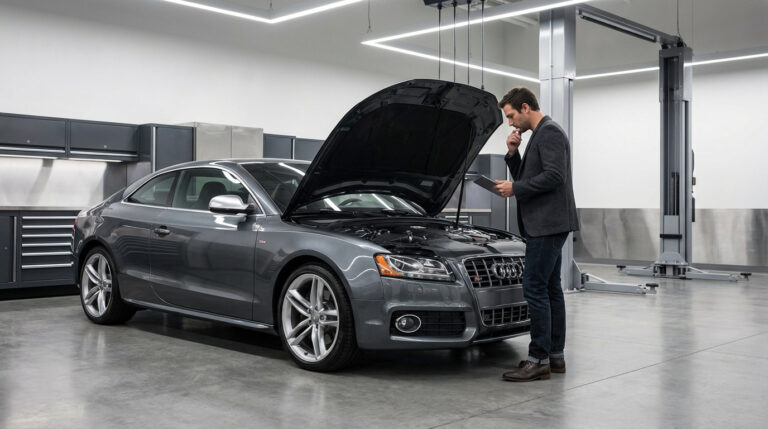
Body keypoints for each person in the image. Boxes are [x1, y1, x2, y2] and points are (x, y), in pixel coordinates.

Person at [493, 87, 579, 382]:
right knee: (550, 288)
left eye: (511, 116)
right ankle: (554, 357)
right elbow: (531, 178)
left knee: (534, 288)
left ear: (525, 107)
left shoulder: (550, 132)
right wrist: (513, 154)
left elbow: (555, 176)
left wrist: (515, 188)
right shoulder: (538, 135)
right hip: (546, 223)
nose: (510, 123)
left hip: (547, 223)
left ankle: (538, 359)